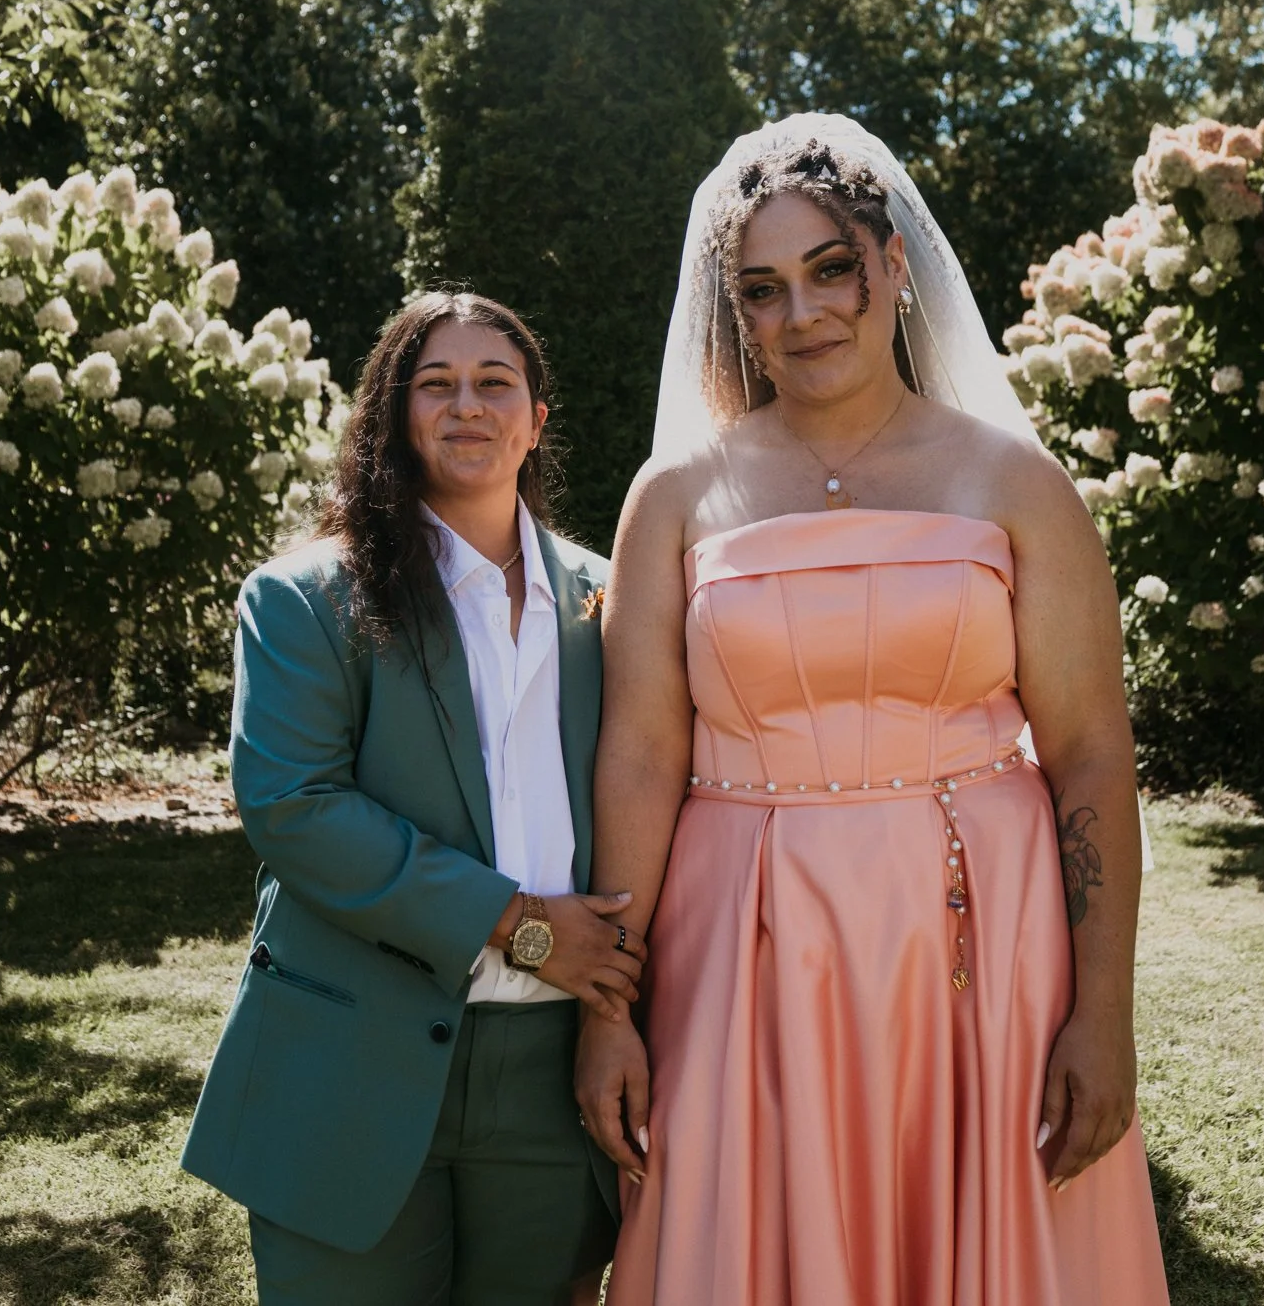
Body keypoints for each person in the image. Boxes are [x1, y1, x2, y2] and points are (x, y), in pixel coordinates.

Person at [576, 116, 1171, 1303]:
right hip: (737, 941)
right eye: (762, 290)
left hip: (977, 945)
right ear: (733, 316)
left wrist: (1100, 1016)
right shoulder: (680, 495)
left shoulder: (1012, 484)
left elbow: (1093, 758)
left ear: (892, 267)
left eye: (829, 269)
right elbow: (640, 757)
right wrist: (609, 1011)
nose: (801, 314)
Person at [181, 291, 635, 1305]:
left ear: (536, 420)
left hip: (554, 1076)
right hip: (350, 1063)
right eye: (434, 384)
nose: (464, 405)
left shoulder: (616, 601)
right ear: (393, 417)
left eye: (492, 383)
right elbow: (293, 807)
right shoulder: (304, 599)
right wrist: (519, 928)